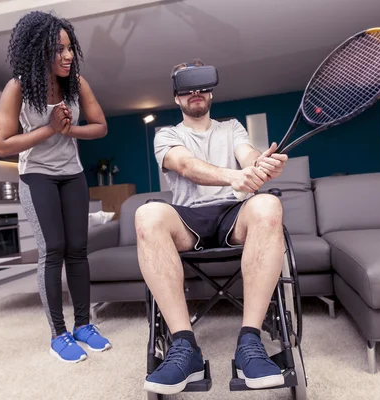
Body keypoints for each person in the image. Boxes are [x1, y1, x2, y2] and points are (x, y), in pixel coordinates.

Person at [136, 59, 288, 394]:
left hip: (233, 214)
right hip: (187, 219)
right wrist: (234, 175)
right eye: (186, 88)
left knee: (268, 204)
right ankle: (184, 346)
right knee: (146, 215)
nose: (195, 93)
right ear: (176, 97)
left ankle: (250, 341)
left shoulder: (231, 127)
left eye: (201, 85)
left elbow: (246, 154)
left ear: (211, 92)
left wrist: (259, 164)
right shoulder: (167, 135)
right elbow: (185, 165)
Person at [0, 11, 111, 363]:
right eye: (58, 49)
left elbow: (101, 126)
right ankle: (58, 334)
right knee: (53, 249)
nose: (68, 55)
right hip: (37, 176)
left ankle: (83, 325)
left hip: (72, 174)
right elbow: (2, 145)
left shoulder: (77, 84)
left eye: (70, 47)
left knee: (78, 249)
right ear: (37, 50)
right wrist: (49, 129)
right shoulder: (17, 88)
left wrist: (70, 131)